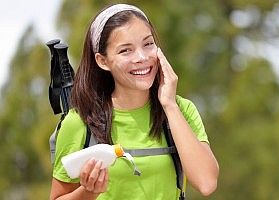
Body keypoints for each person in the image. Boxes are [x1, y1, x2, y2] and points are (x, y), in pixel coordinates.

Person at [50, 3, 219, 200]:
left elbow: (207, 183)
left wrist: (170, 105)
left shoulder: (181, 109)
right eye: (126, 50)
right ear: (102, 61)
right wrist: (88, 191)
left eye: (148, 44)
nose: (141, 57)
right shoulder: (80, 121)